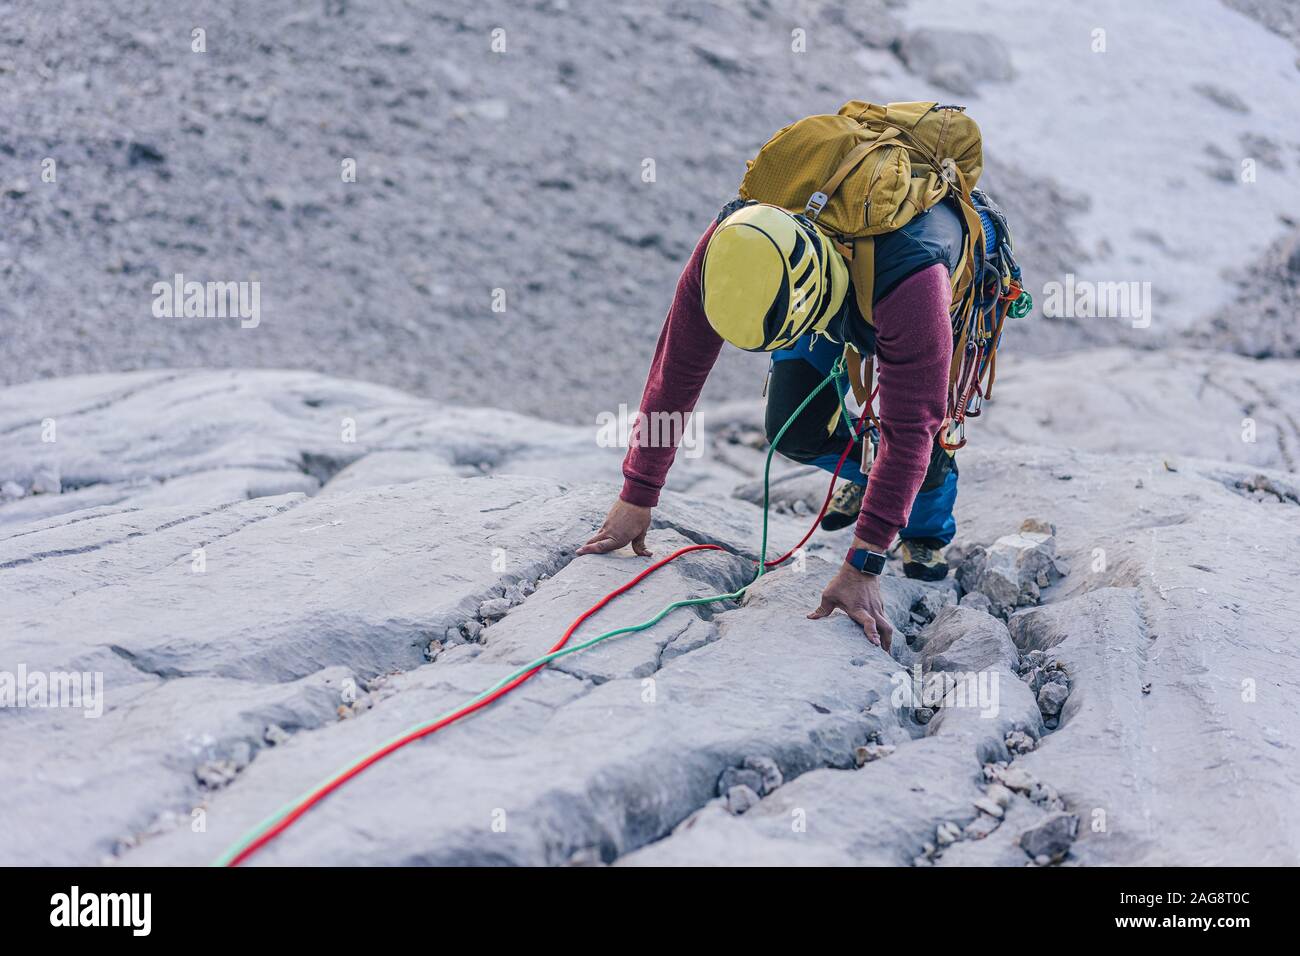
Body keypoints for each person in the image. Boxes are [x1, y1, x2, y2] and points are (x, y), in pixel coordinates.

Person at [577, 194, 968, 652]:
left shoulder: (914, 284)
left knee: (921, 455)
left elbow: (911, 429)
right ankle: (871, 476)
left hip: (900, 281)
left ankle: (925, 529)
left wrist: (864, 564)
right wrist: (637, 494)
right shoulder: (730, 246)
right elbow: (676, 372)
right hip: (816, 284)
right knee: (796, 429)